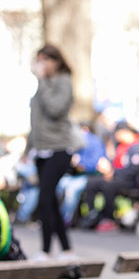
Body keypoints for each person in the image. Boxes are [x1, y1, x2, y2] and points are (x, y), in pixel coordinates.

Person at [24, 44, 83, 260]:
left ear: (55, 61)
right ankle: (67, 250)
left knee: (44, 198)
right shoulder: (43, 86)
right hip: (41, 149)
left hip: (59, 148)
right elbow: (36, 121)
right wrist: (28, 147)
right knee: (50, 202)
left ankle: (45, 250)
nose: (41, 65)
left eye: (44, 60)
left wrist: (43, 82)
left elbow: (55, 110)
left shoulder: (62, 82)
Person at [81, 122, 139, 233]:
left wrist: (113, 172)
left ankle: (109, 218)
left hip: (130, 180)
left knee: (108, 186)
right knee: (92, 182)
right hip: (116, 176)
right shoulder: (120, 147)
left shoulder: (138, 147)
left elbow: (134, 170)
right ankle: (93, 213)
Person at [57, 122, 107, 226]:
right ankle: (54, 217)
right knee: (57, 186)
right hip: (72, 175)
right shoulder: (74, 142)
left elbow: (97, 163)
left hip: (89, 175)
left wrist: (81, 164)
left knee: (71, 190)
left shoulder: (94, 142)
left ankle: (65, 220)